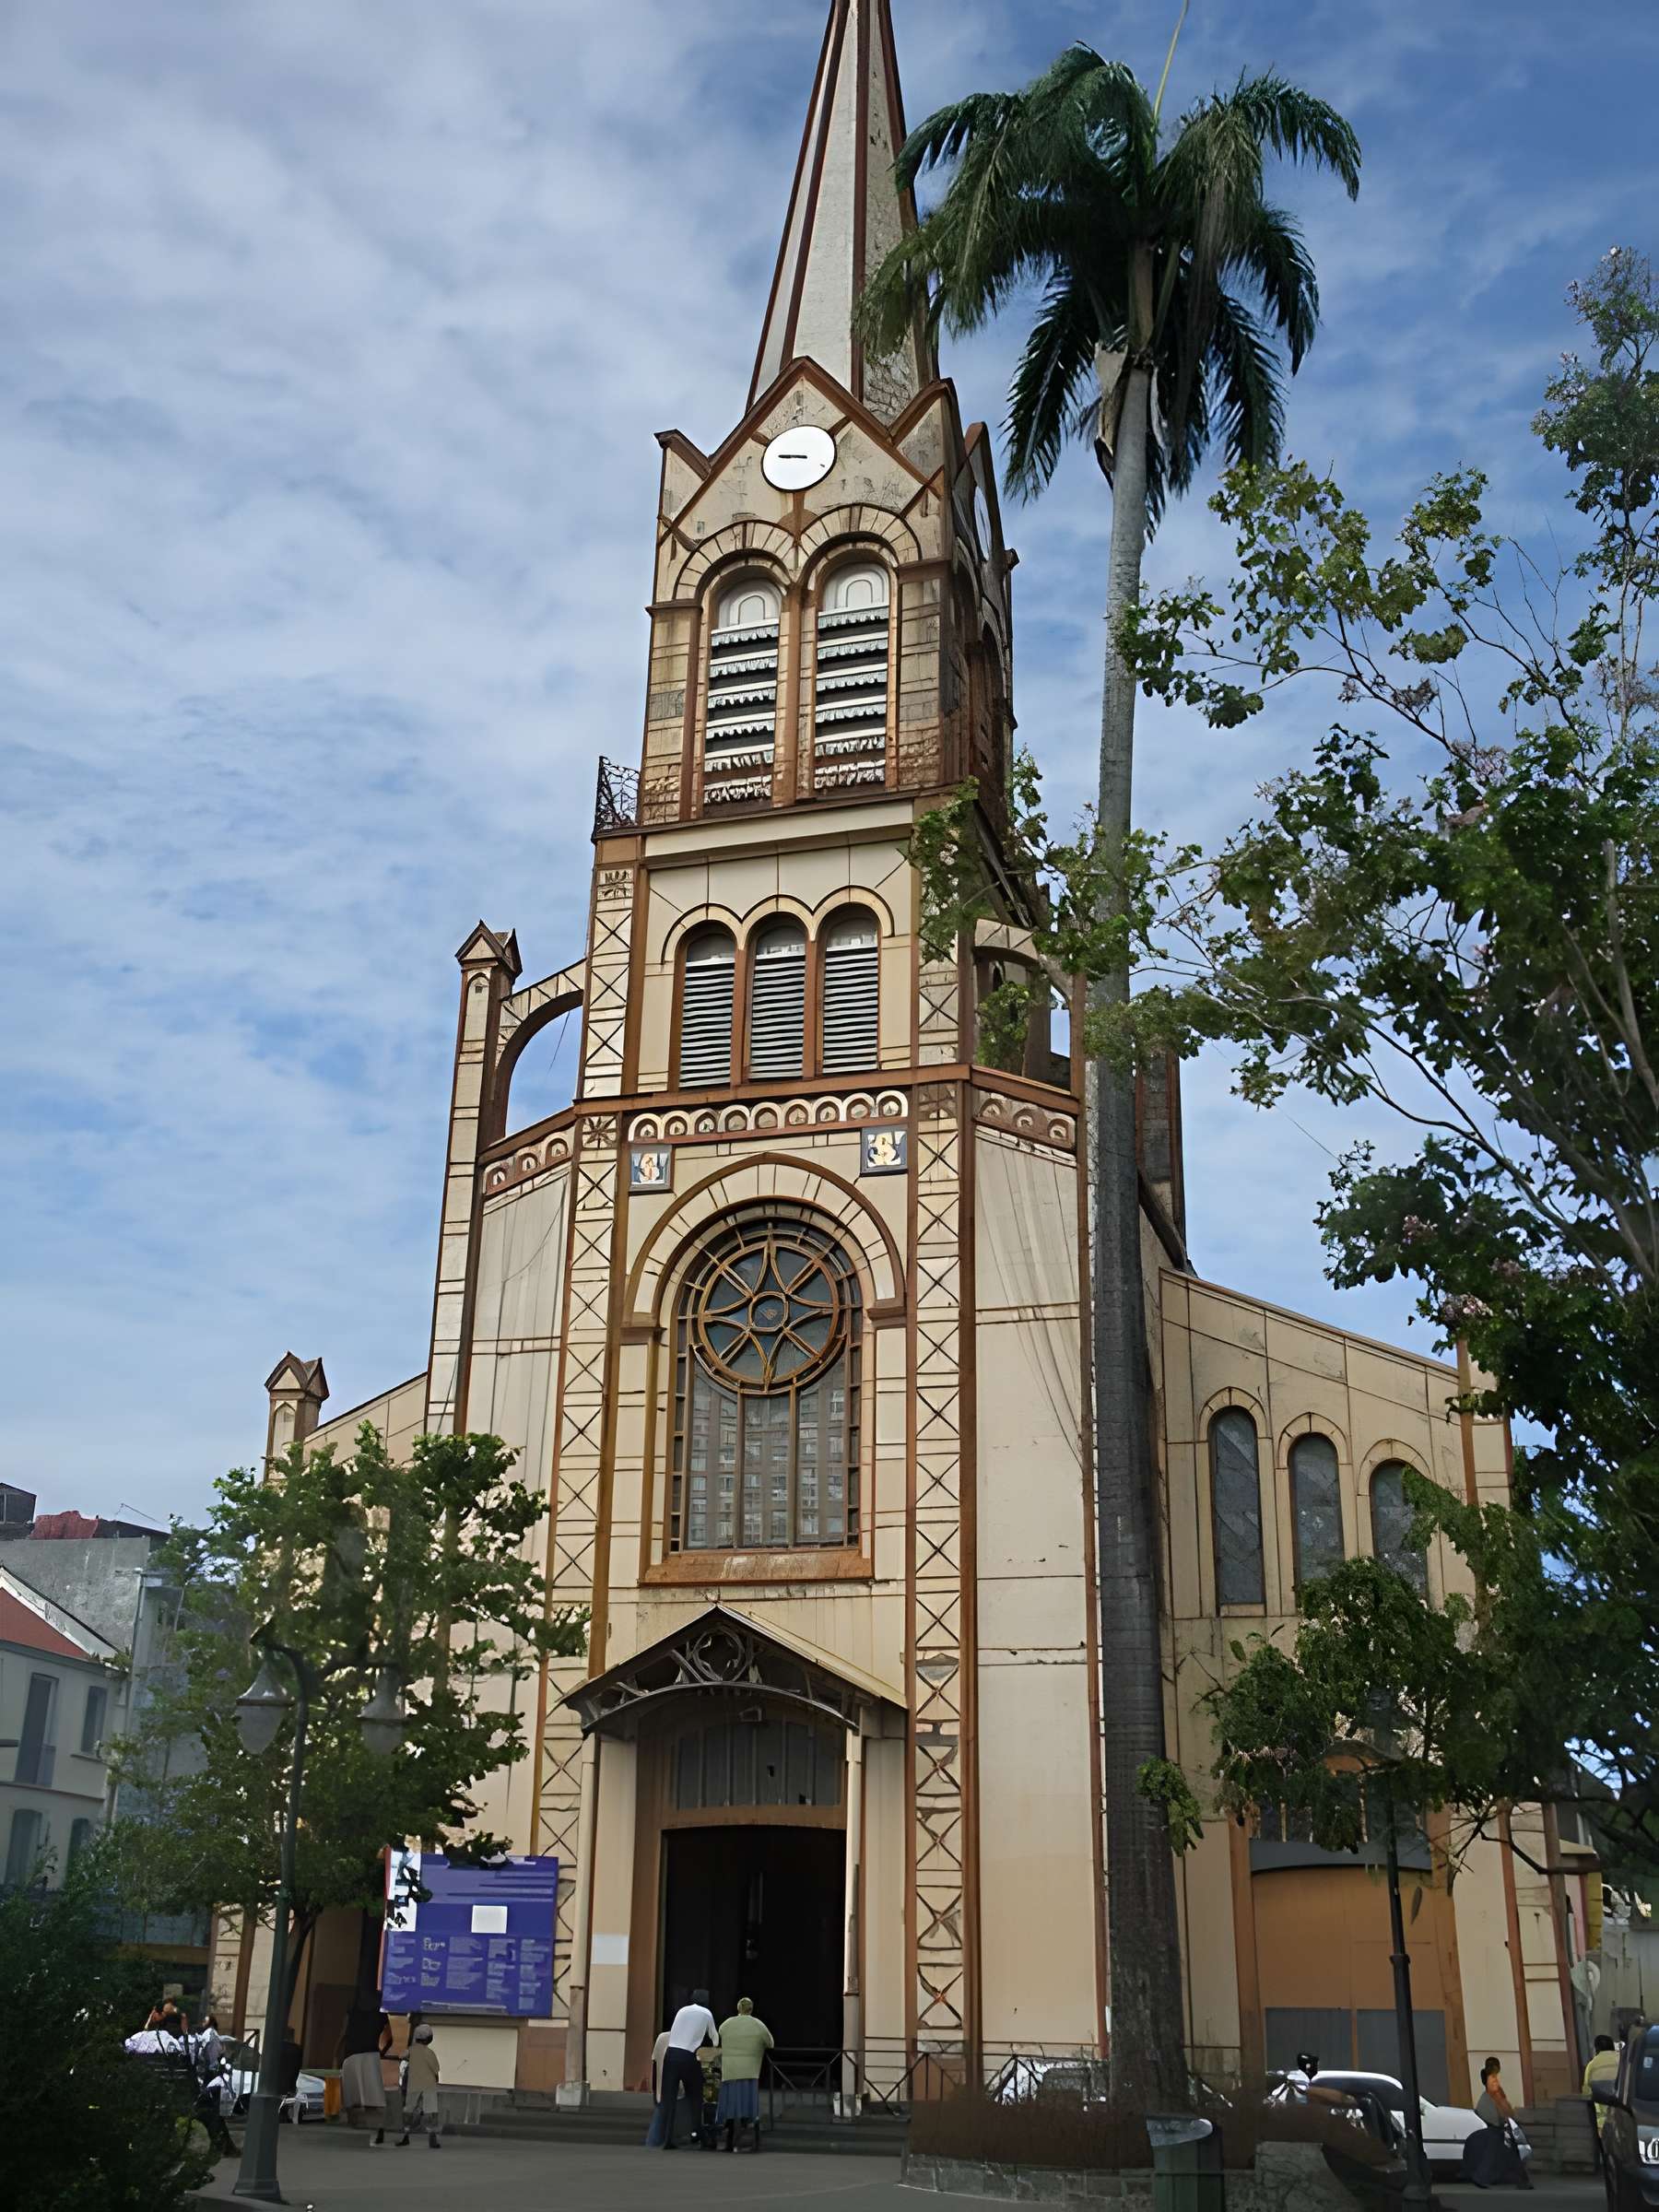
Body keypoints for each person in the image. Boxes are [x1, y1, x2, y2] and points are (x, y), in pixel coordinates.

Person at [656, 1988, 718, 2150]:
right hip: (688, 2057)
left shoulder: (682, 2010)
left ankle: (667, 2139)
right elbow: (715, 2039)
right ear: (706, 2001)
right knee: (696, 2096)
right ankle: (699, 2134)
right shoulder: (706, 2013)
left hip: (671, 2055)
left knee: (669, 2099)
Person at [714, 1997, 773, 2153]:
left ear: (738, 2008)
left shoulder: (727, 2024)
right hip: (750, 2073)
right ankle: (752, 2142)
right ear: (751, 2009)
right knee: (749, 2108)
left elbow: (720, 2032)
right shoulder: (758, 2025)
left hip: (730, 2072)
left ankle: (729, 2142)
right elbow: (770, 2043)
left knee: (731, 2108)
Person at [1466, 2058, 1532, 2190]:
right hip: (1496, 2126)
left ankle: (1520, 2179)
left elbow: (1504, 2107)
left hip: (1501, 2126)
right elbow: (1496, 2111)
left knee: (1510, 2150)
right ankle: (1521, 2179)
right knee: (1507, 2149)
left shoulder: (1495, 2089)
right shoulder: (1489, 2090)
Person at [340, 2007, 390, 2145]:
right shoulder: (381, 2012)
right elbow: (389, 2035)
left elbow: (343, 2034)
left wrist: (336, 2054)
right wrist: (383, 2051)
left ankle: (356, 2123)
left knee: (353, 2099)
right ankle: (377, 2128)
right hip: (371, 2053)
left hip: (352, 2054)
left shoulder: (352, 2011)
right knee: (374, 2098)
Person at [397, 2024, 442, 2148]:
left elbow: (401, 2056)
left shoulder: (411, 2050)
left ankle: (406, 2136)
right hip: (429, 2085)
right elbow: (435, 2069)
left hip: (414, 2084)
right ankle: (432, 2137)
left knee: (409, 2110)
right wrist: (436, 2080)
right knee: (430, 2111)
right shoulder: (430, 2053)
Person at [1584, 2033, 1620, 2135]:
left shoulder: (1591, 2065)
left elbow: (1586, 2093)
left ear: (1596, 2049)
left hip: (1600, 2123)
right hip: (1620, 2119)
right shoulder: (1621, 2061)